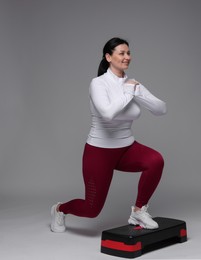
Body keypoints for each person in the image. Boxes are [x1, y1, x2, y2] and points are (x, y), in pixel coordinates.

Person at [51, 37, 167, 232]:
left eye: (128, 53)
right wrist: (129, 92)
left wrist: (138, 93)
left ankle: (138, 211)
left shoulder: (132, 84)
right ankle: (59, 209)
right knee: (92, 209)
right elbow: (108, 113)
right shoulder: (98, 83)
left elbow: (161, 109)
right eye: (121, 53)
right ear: (108, 57)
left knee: (155, 161)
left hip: (127, 148)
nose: (127, 57)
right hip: (99, 151)